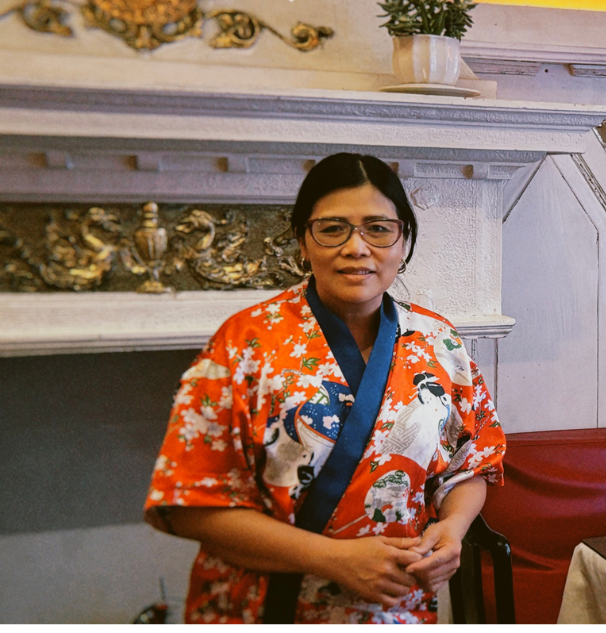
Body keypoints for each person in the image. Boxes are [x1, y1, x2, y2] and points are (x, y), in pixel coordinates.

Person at [143, 153, 505, 624]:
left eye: (378, 229)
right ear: (301, 241)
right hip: (265, 608)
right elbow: (189, 502)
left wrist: (453, 528)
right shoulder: (245, 342)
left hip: (394, 609)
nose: (357, 247)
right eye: (332, 229)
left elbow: (470, 464)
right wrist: (333, 559)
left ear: (403, 241)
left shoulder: (439, 341)